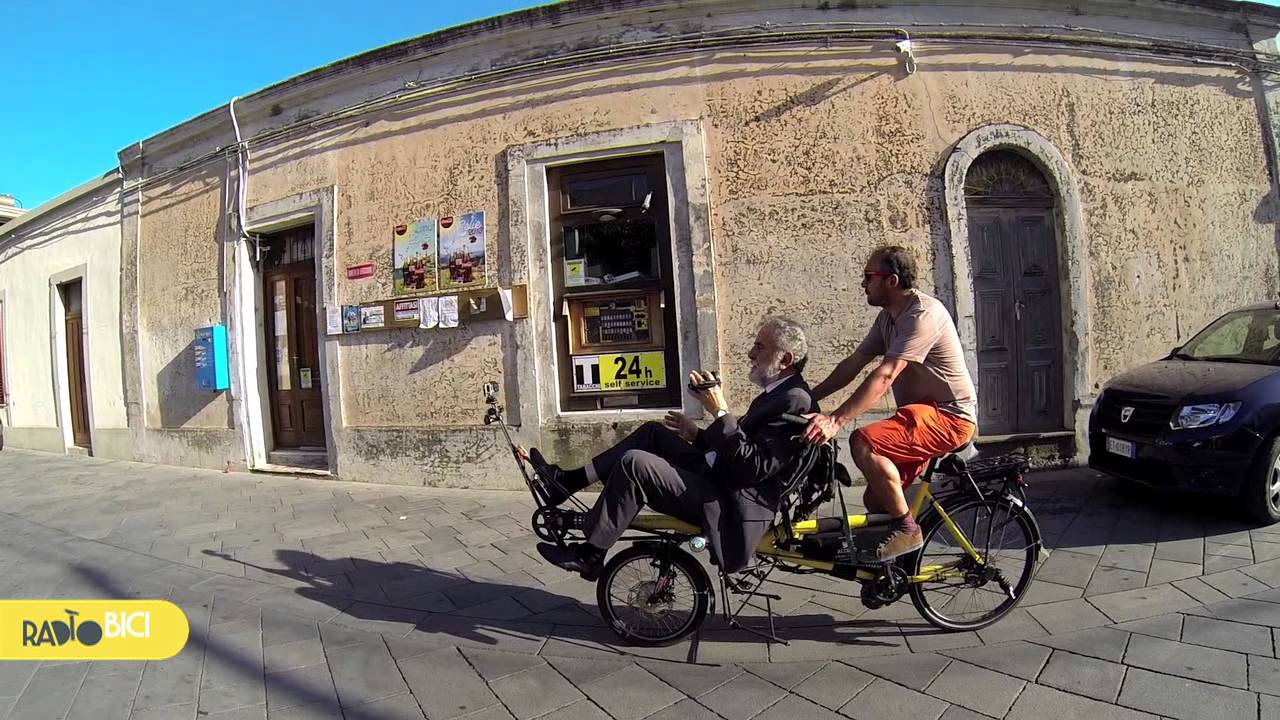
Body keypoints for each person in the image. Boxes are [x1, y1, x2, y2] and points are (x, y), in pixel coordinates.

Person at [529, 316, 819, 579]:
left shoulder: (795, 400)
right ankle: (566, 482)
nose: (750, 354)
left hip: (729, 502)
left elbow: (752, 467)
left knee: (635, 463)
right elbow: (739, 451)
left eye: (759, 347)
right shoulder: (778, 394)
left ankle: (591, 554)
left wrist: (720, 413)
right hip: (721, 477)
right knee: (652, 433)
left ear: (785, 360)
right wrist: (697, 435)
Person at [803, 245, 977, 562]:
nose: (863, 283)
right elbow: (852, 364)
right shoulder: (888, 318)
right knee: (877, 501)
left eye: (869, 276)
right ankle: (894, 571)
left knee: (864, 443)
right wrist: (808, 398)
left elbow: (885, 375)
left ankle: (909, 530)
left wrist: (836, 421)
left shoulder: (923, 314)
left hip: (950, 416)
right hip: (921, 417)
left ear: (891, 280)